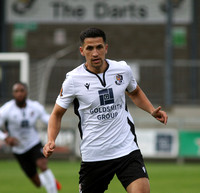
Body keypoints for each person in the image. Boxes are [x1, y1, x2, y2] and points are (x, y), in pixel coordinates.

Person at [43, 27, 168, 193]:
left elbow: (135, 92)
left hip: (126, 149)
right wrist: (51, 139)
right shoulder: (73, 80)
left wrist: (151, 110)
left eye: (99, 47)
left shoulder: (122, 70)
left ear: (106, 48)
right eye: (90, 48)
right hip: (95, 154)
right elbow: (56, 114)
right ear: (82, 51)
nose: (95, 53)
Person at [0, 82, 61, 193]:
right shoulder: (6, 109)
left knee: (42, 164)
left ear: (26, 92)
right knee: (37, 183)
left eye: (21, 91)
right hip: (18, 149)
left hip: (34, 143)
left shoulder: (35, 106)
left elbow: (48, 119)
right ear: (13, 94)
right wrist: (5, 137)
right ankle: (51, 181)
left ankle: (52, 190)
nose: (19, 94)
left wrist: (57, 119)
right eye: (16, 91)